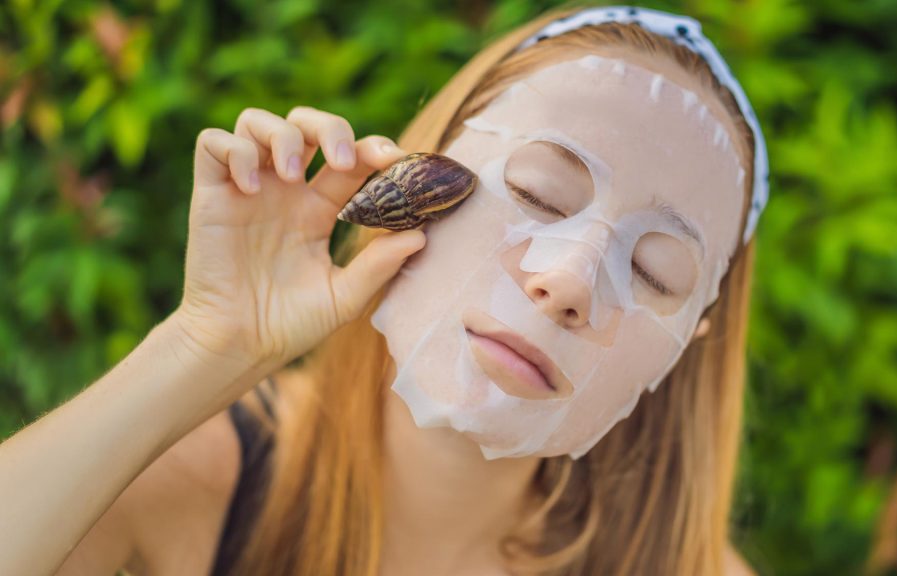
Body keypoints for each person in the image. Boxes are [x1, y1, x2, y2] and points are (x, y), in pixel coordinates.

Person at [0, 4, 768, 575]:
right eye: (537, 194)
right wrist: (202, 345)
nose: (567, 280)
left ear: (689, 340)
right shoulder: (203, 477)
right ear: (425, 169)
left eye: (652, 273)